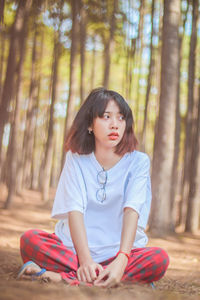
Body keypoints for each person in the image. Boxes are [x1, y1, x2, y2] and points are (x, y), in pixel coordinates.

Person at [18, 87, 169, 287]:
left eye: (121, 118)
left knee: (159, 258)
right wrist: (87, 261)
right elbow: (74, 210)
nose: (115, 124)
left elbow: (132, 209)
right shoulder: (76, 158)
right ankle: (114, 280)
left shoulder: (138, 161)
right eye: (106, 117)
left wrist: (122, 258)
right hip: (75, 252)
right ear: (90, 123)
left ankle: (62, 278)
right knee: (30, 239)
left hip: (119, 254)